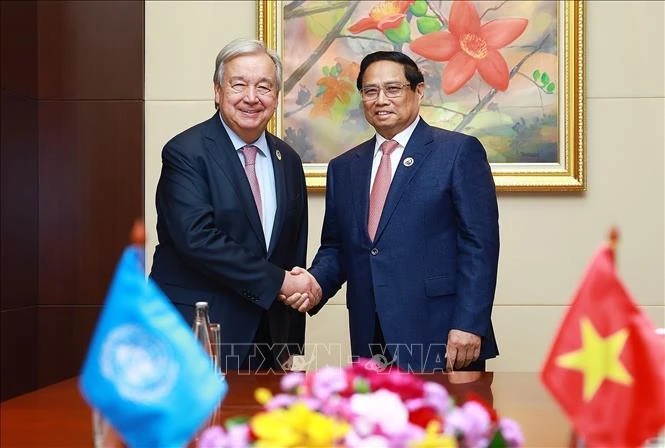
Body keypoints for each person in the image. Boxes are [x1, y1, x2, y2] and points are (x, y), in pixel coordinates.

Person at [283, 51, 499, 372]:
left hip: (441, 334)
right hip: (371, 336)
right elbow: (338, 247)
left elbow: (480, 246)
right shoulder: (344, 168)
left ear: (419, 91)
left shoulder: (457, 152)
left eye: (393, 89)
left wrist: (469, 323)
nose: (381, 99)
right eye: (371, 91)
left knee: (445, 422)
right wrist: (315, 283)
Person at [150, 38, 317, 372]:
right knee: (199, 425)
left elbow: (291, 249)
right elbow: (197, 239)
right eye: (238, 85)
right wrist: (282, 283)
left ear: (277, 95)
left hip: (268, 339)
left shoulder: (289, 160)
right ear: (217, 91)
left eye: (264, 86)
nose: (251, 97)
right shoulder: (186, 152)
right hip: (198, 330)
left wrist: (290, 339)